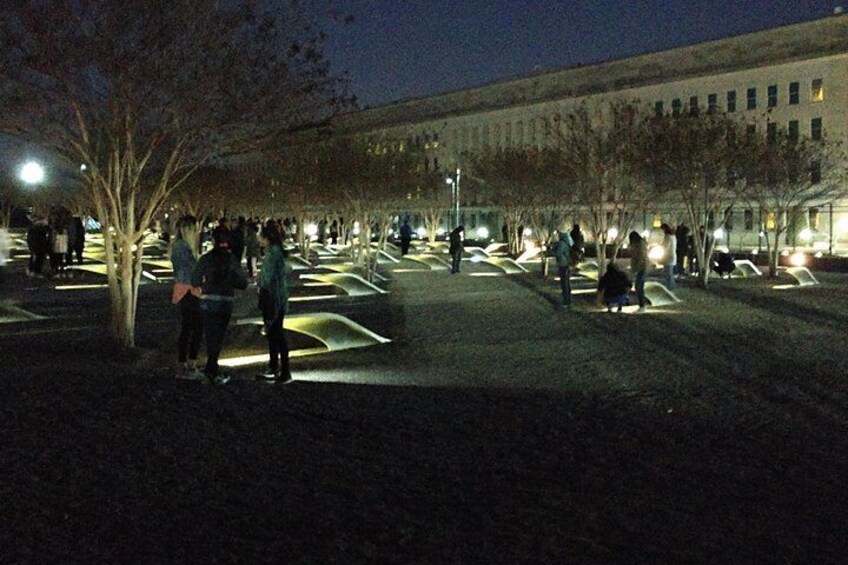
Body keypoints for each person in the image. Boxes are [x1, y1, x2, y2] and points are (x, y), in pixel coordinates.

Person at [192, 226, 248, 385]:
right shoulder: (232, 260)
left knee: (210, 336)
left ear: (213, 240)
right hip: (225, 301)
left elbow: (195, 280)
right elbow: (242, 283)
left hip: (208, 301)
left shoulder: (206, 258)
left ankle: (211, 368)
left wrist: (203, 287)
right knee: (219, 336)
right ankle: (212, 369)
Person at [257, 221, 292, 383]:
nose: (259, 239)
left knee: (276, 334)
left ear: (267, 239)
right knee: (274, 334)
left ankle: (283, 370)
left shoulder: (272, 254)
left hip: (272, 298)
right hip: (279, 298)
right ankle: (275, 367)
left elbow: (268, 279)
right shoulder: (276, 252)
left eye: (261, 236)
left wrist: (261, 290)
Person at [171, 216, 203, 378]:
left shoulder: (178, 245)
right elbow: (192, 269)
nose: (198, 231)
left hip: (183, 289)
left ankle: (183, 363)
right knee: (195, 327)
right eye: (195, 228)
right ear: (187, 229)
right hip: (189, 290)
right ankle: (189, 363)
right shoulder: (183, 247)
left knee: (187, 327)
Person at [553, 229, 574, 308]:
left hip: (562, 264)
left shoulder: (562, 243)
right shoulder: (568, 243)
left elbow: (558, 253)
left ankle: (566, 302)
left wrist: (554, 250)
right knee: (567, 283)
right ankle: (568, 300)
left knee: (564, 284)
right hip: (567, 264)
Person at [629, 231, 648, 313]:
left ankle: (642, 305)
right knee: (639, 286)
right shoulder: (638, 244)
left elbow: (641, 256)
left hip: (642, 267)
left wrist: (636, 268)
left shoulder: (640, 244)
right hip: (641, 267)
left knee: (638, 286)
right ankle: (642, 304)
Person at [660, 223, 677, 290]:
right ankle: (671, 286)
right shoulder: (673, 236)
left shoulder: (668, 237)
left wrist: (661, 246)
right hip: (671, 256)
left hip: (669, 257)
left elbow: (665, 246)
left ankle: (670, 287)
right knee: (670, 273)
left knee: (668, 274)